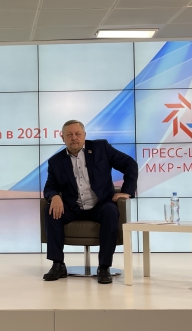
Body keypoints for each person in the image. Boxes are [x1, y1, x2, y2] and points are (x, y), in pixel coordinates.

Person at [43, 120, 138, 284]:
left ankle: (104, 267)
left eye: (77, 134)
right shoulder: (56, 161)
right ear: (62, 138)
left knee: (111, 211)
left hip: (100, 205)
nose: (74, 138)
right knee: (50, 211)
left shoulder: (101, 148)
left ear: (84, 135)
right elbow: (50, 186)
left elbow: (130, 164)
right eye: (69, 135)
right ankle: (58, 264)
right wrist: (54, 196)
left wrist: (126, 191)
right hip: (73, 207)